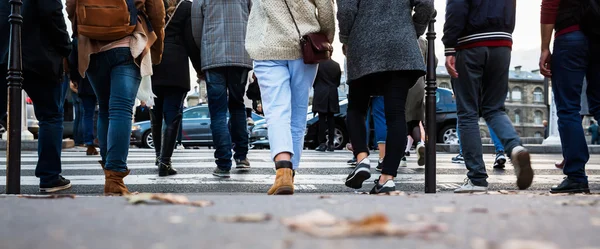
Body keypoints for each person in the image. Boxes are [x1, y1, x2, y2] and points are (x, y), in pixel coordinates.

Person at [67, 0, 166, 195]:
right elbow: (156, 9)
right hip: (127, 42)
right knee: (120, 109)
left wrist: (85, 27)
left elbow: (70, 6)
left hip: (92, 46)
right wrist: (157, 45)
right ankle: (114, 178)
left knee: (104, 108)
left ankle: (109, 172)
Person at [340, 0, 435, 194]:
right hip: (401, 45)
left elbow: (346, 10)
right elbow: (425, 4)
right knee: (396, 114)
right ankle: (388, 177)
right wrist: (412, 30)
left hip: (363, 44)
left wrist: (347, 38)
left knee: (357, 108)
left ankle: (362, 158)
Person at [246, 0, 335, 195]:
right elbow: (326, 9)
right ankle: (290, 173)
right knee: (298, 111)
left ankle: (283, 169)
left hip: (266, 47)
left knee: (276, 110)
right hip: (304, 45)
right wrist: (325, 39)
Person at [444, 0, 533, 193]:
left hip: (470, 44)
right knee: (494, 108)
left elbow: (456, 8)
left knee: (467, 113)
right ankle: (515, 148)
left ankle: (477, 178)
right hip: (502, 43)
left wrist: (449, 45)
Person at [0, 0, 72, 193]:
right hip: (40, 56)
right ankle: (49, 177)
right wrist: (66, 48)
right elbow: (53, 13)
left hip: (3, 53)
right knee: (50, 115)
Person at [539, 0, 599, 194]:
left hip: (570, 36)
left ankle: (576, 176)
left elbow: (549, 5)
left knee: (567, 108)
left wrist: (545, 47)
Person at [192, 0, 253, 177]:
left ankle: (223, 163)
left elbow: (196, 29)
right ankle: (241, 157)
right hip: (240, 54)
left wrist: (203, 52)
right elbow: (254, 19)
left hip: (213, 57)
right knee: (237, 105)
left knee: (218, 112)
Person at [150, 0, 201, 177]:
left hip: (154, 64)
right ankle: (165, 161)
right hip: (176, 67)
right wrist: (199, 69)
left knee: (155, 113)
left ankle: (158, 156)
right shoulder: (186, 7)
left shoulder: (153, 4)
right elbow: (190, 40)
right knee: (172, 114)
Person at [69, 38, 99, 156]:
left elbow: (73, 61)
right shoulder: (99, 31)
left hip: (84, 79)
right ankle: (102, 141)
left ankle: (89, 143)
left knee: (87, 114)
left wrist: (74, 78)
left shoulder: (78, 38)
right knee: (104, 111)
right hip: (99, 77)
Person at [313, 59, 342, 152]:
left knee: (321, 119)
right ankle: (331, 144)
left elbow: (313, 79)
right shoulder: (336, 65)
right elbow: (337, 81)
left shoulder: (318, 64)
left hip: (321, 92)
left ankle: (322, 143)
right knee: (331, 118)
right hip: (332, 92)